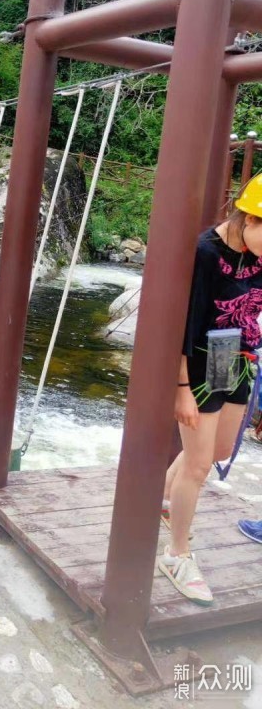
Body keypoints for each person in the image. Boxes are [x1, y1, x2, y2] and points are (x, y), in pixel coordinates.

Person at [159, 173, 262, 605]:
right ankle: (177, 553)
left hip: (239, 362)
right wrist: (181, 387)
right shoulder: (204, 253)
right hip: (199, 366)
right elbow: (184, 322)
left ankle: (165, 501)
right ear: (250, 218)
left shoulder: (255, 251)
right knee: (199, 467)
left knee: (217, 453)